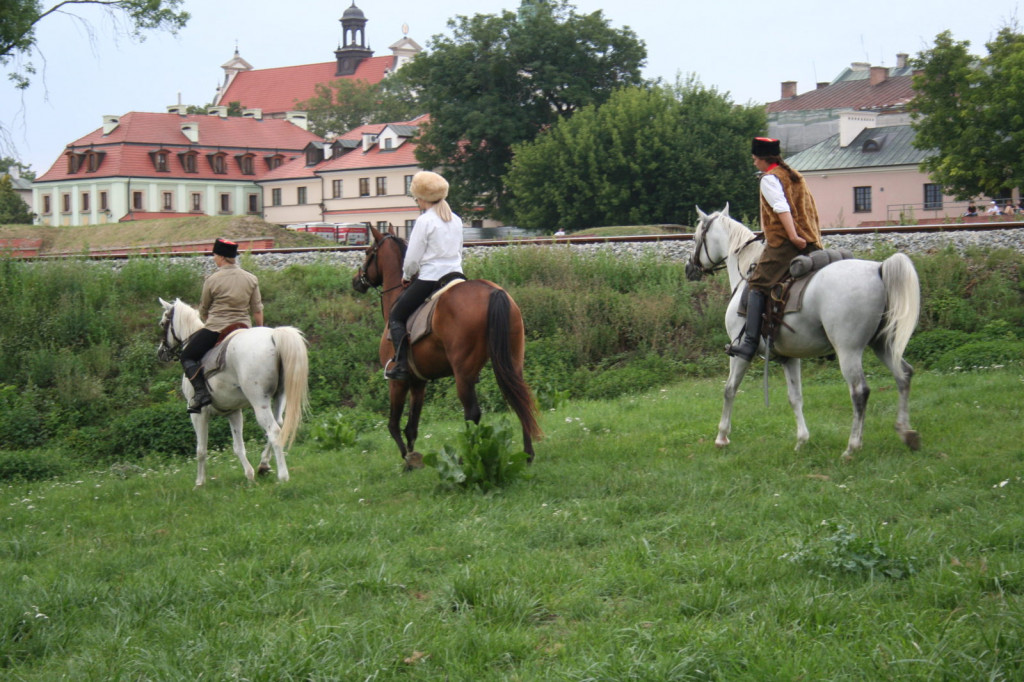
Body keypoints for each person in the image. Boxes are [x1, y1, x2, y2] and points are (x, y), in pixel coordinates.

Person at [725, 137, 823, 362]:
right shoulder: (794, 175)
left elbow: (782, 209)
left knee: (756, 283)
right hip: (812, 241)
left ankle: (748, 344)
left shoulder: (769, 179)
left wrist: (792, 237)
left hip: (786, 244)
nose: (753, 163)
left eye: (754, 159)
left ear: (762, 159)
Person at [385, 171, 464, 380]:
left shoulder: (424, 221)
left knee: (397, 315)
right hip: (457, 277)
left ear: (422, 198)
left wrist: (407, 275)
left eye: (416, 197)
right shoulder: (456, 219)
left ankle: (401, 364)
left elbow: (412, 259)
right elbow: (459, 250)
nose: (416, 201)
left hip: (431, 278)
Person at [180, 238, 264, 412]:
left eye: (215, 255)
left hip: (217, 328)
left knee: (187, 356)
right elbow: (257, 310)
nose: (214, 258)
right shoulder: (251, 278)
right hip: (243, 327)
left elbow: (204, 308)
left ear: (222, 257)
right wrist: (259, 329)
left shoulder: (212, 280)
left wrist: (205, 319)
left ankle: (201, 393)